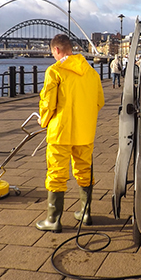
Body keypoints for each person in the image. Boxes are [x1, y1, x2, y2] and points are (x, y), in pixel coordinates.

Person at [36, 34, 105, 232]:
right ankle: (85, 213)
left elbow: (48, 103)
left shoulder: (55, 71)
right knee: (84, 170)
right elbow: (99, 101)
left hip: (61, 131)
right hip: (85, 131)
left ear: (56, 50)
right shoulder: (92, 73)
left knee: (56, 172)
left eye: (52, 53)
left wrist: (44, 120)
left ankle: (53, 219)